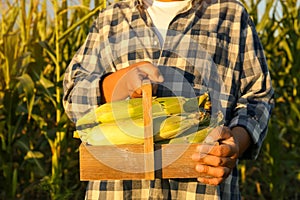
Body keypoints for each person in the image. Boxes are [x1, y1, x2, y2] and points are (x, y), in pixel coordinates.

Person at [63, 0, 274, 199]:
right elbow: (73, 96)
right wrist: (119, 83)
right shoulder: (112, 17)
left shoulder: (232, 15)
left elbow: (257, 98)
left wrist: (235, 142)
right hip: (117, 191)